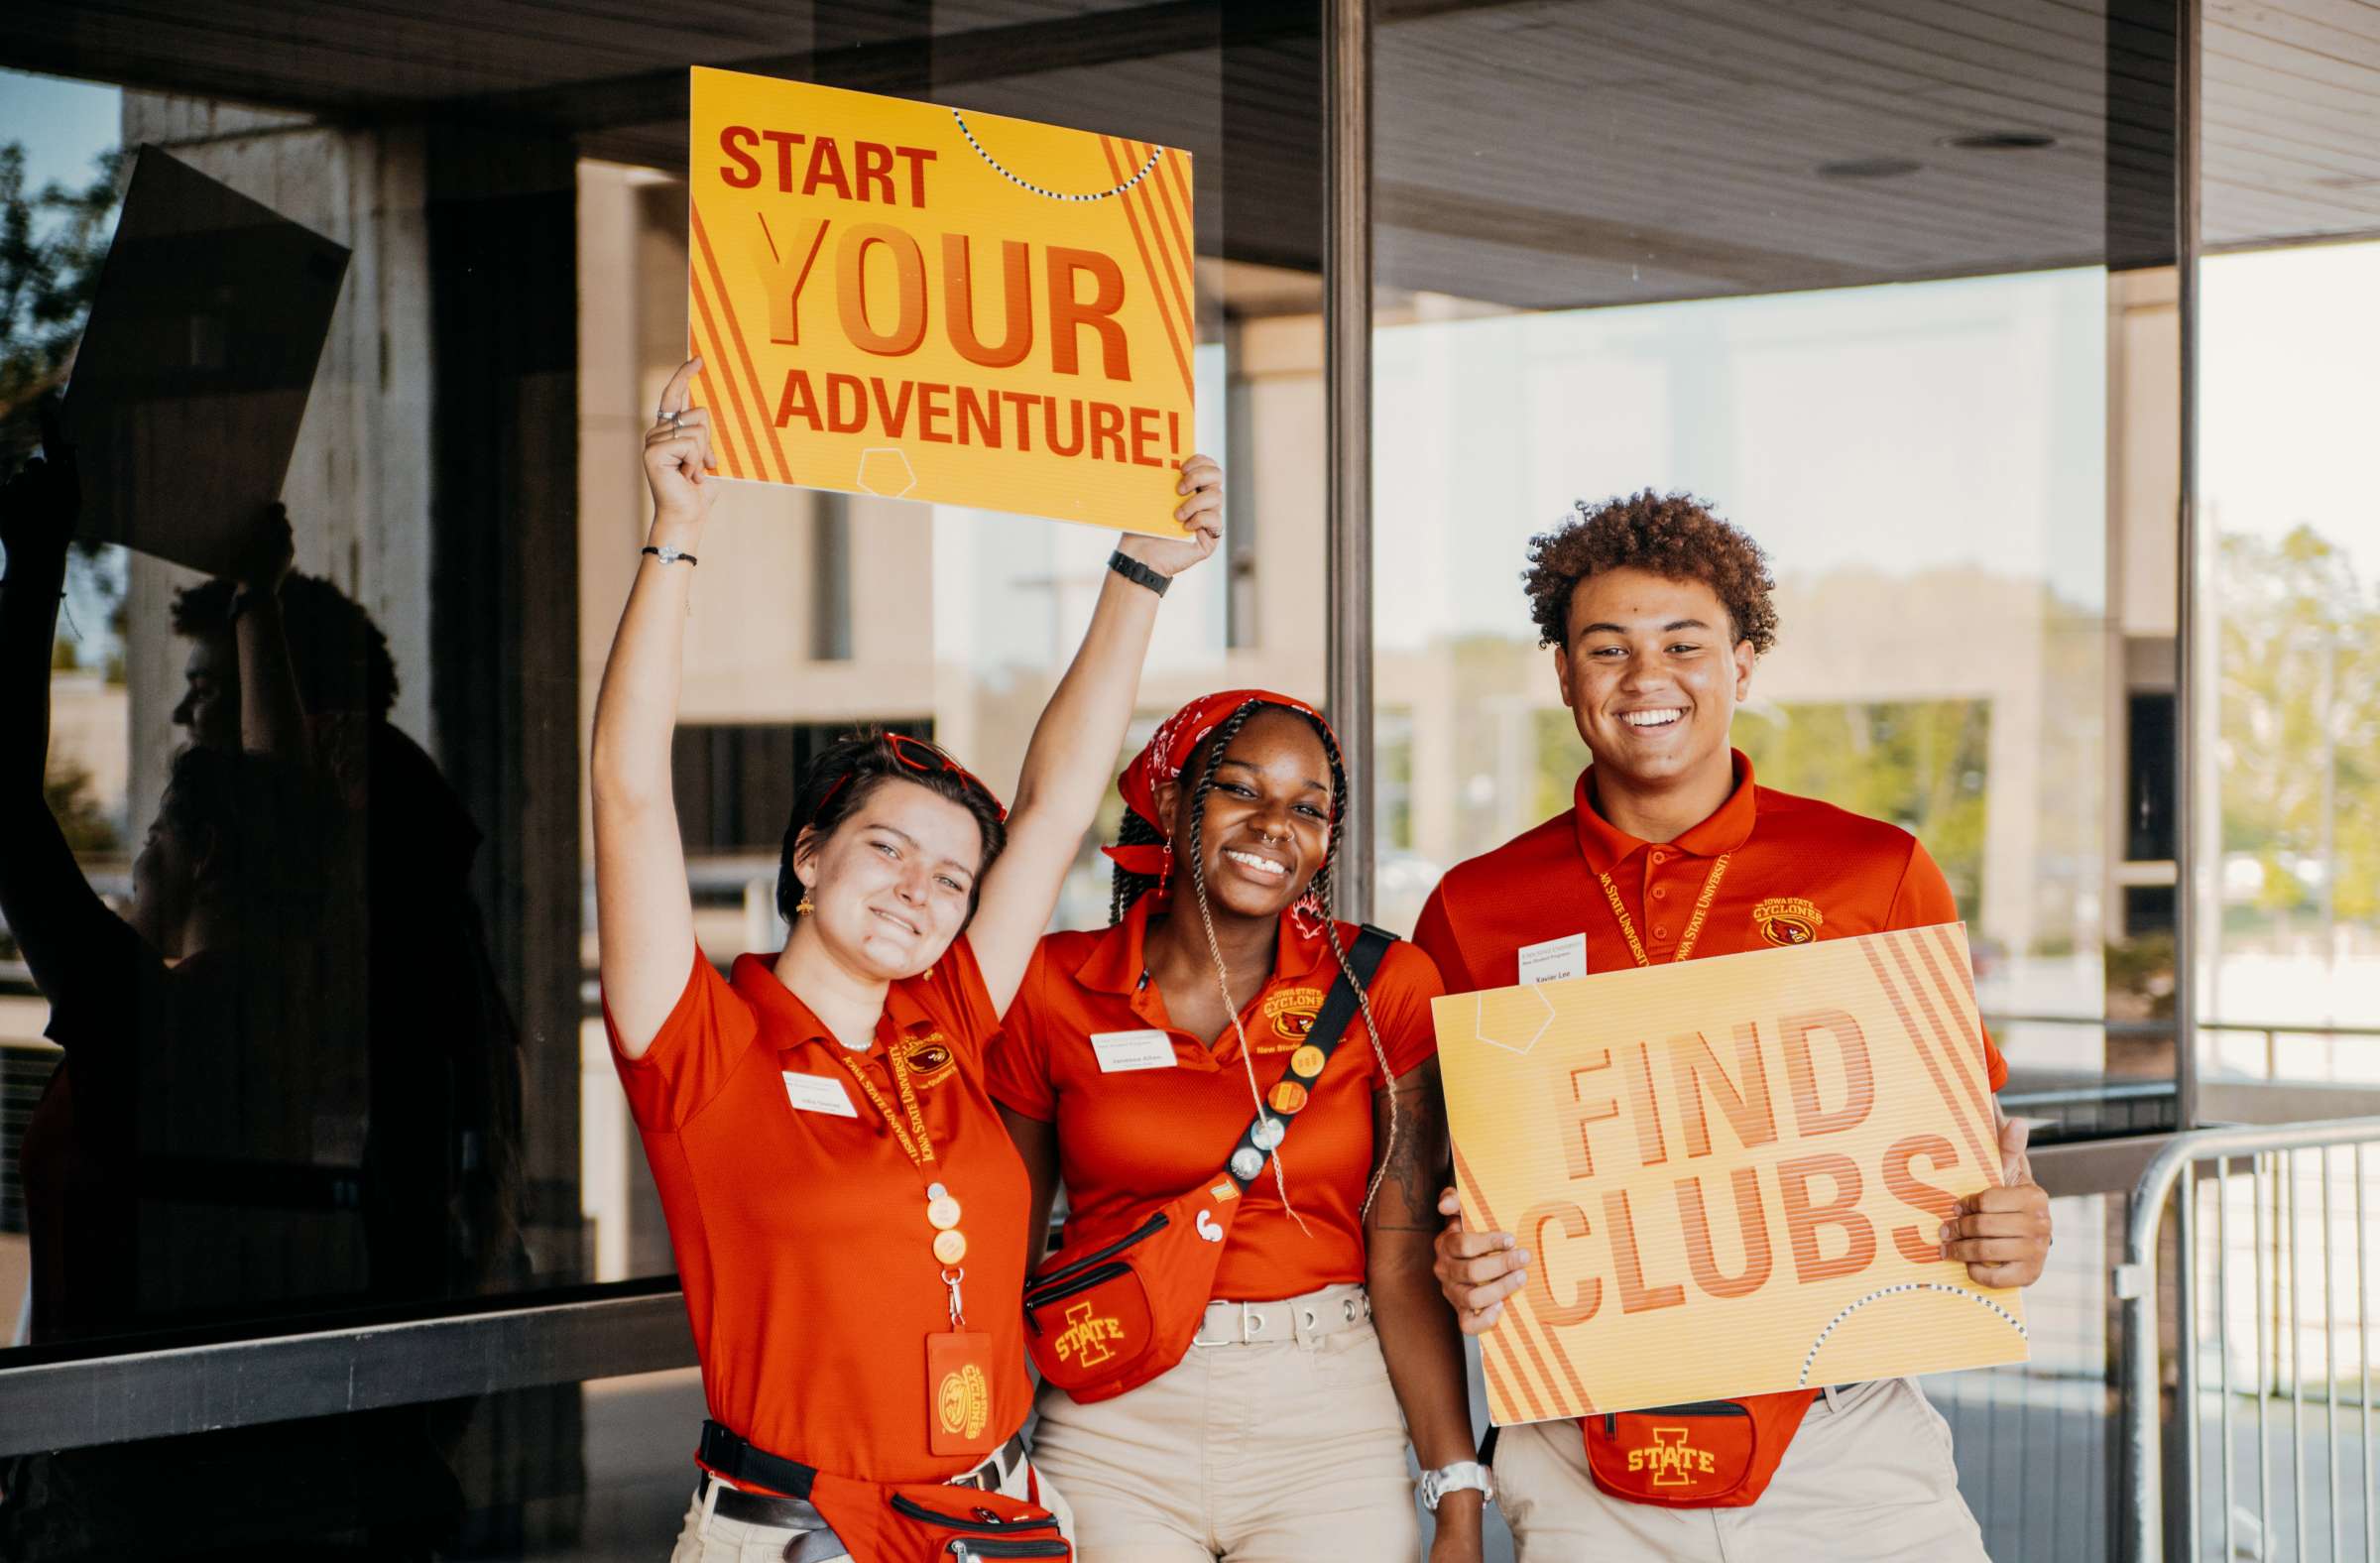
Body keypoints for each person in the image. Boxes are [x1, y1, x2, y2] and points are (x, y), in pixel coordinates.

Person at [595, 358, 1221, 1563]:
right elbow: (627, 792)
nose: (919, 891)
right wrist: (675, 536)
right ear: (810, 856)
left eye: (950, 877)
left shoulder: (948, 1018)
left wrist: (1141, 572)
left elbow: (1051, 808)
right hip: (800, 1531)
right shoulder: (699, 1042)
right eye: (887, 847)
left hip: (997, 1519)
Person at [1418, 491, 2054, 1561]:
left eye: (1684, 642)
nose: (1645, 676)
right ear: (1564, 675)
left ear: (1744, 663)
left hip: (1845, 1450)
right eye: (1605, 647)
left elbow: (1967, 1154)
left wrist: (2014, 1228)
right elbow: (1428, 1188)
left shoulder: (1874, 871)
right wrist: (1459, 1259)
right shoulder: (1473, 908)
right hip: (1581, 1462)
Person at [990, 690, 1486, 1563]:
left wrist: (1457, 1493)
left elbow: (1402, 1258)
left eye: (1307, 809)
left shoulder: (1386, 988)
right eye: (1241, 791)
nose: (1273, 826)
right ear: (1174, 801)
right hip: (1114, 1422)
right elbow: (1005, 1248)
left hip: (1328, 1421)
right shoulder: (1050, 985)